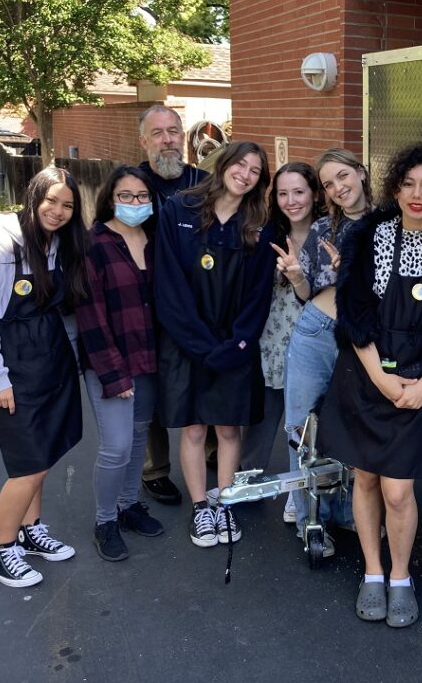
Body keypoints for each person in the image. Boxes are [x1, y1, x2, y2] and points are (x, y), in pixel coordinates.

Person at [319, 145, 422, 628]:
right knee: (367, 479)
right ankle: (373, 573)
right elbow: (354, 313)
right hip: (366, 375)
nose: (416, 195)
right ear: (395, 189)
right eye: (408, 185)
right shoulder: (369, 235)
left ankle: (402, 576)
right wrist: (379, 375)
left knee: (399, 491)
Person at [0, 167, 89, 587]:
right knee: (26, 467)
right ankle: (1, 550)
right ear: (32, 196)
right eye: (51, 200)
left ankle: (31, 533)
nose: (58, 211)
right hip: (11, 366)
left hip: (48, 359)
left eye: (68, 205)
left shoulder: (54, 242)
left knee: (44, 457)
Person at [153, 140, 275, 547]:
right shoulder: (180, 209)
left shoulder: (258, 222)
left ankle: (224, 503)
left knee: (226, 427)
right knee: (192, 429)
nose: (245, 174)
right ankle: (201, 508)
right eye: (240, 164)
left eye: (255, 171)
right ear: (223, 164)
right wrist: (199, 344)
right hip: (186, 343)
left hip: (232, 346)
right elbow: (168, 284)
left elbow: (259, 295)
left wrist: (238, 344)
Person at [272, 148, 371, 557]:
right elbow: (309, 291)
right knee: (301, 430)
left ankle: (347, 512)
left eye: (343, 176)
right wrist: (297, 277)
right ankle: (309, 518)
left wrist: (353, 268)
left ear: (362, 173)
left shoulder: (387, 223)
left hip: (359, 339)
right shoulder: (323, 228)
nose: (338, 188)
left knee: (351, 427)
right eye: (329, 183)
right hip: (315, 330)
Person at [76, 165, 164, 562]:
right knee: (116, 446)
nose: (135, 203)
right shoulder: (93, 244)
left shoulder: (155, 238)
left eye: (142, 196)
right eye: (126, 196)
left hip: (150, 357)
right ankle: (105, 520)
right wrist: (113, 373)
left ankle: (130, 506)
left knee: (139, 436)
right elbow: (89, 314)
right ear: (110, 199)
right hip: (111, 361)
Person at [240, 161, 322, 528]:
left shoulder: (327, 234)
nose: (292, 201)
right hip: (272, 338)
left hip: (315, 341)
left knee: (306, 423)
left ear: (314, 194)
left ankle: (298, 490)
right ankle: (250, 478)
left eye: (299, 192)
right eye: (284, 193)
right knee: (264, 416)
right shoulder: (266, 236)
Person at [137, 104, 207, 506]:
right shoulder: (132, 184)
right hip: (148, 304)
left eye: (174, 131)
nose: (168, 140)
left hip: (201, 303)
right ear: (143, 140)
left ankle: (211, 452)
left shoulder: (205, 182)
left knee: (206, 377)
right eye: (158, 133)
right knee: (155, 387)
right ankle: (155, 469)